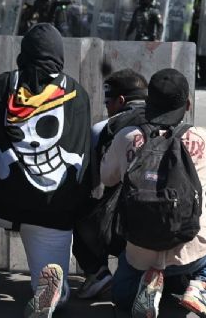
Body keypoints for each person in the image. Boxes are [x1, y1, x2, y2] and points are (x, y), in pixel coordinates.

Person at [0, 23, 91, 317]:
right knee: (50, 282)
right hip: (53, 214)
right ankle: (50, 293)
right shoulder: (78, 94)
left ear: (24, 52)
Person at [101, 68, 206, 318]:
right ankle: (202, 286)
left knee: (121, 299)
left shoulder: (126, 137)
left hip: (140, 252)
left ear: (148, 103)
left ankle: (148, 285)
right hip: (189, 250)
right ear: (188, 104)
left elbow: (106, 178)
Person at [73, 69, 148, 299]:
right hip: (170, 227)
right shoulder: (173, 122)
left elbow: (96, 181)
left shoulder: (105, 128)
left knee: (77, 206)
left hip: (121, 229)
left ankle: (97, 272)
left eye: (108, 102)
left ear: (121, 100)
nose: (107, 108)